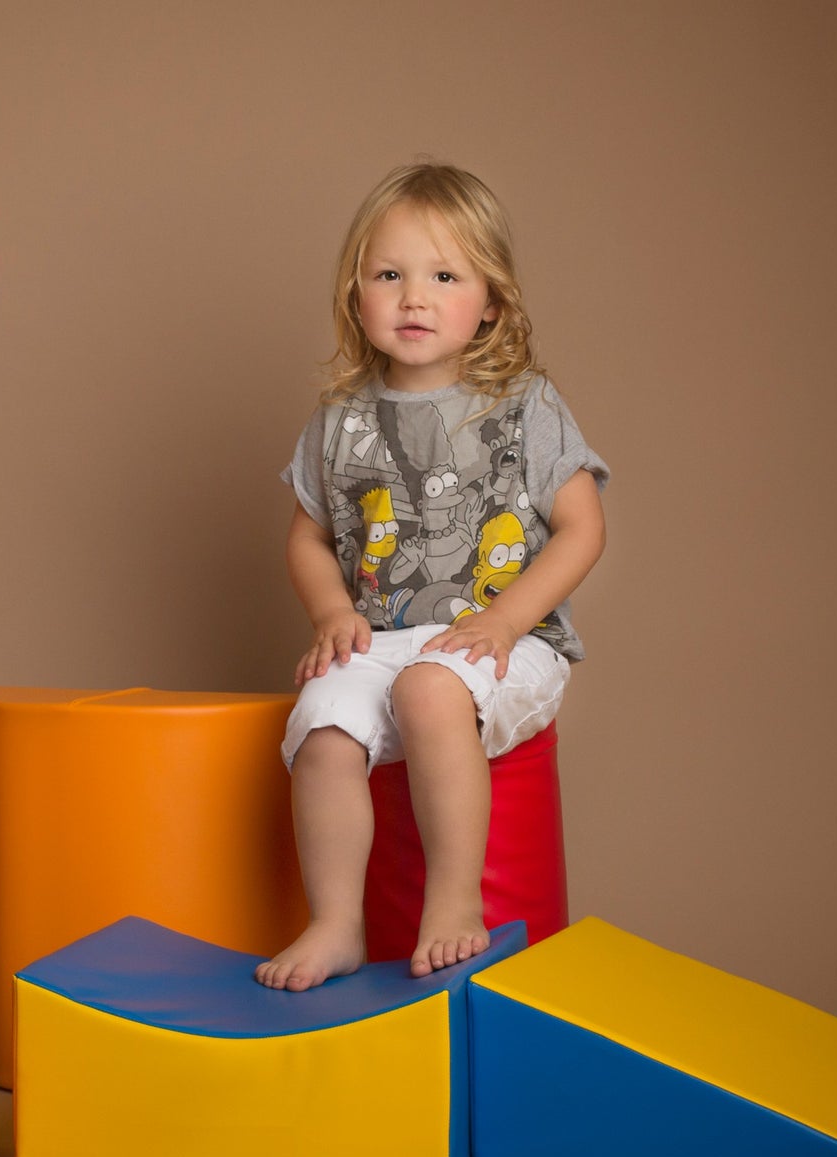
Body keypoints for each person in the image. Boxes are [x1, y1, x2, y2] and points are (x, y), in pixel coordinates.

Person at [255, 161, 609, 992]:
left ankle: (452, 902)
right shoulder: (340, 418)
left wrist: (507, 620)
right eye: (390, 275)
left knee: (428, 690)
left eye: (444, 276)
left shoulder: (522, 403)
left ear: (490, 301)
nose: (414, 297)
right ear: (358, 295)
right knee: (323, 720)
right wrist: (331, 610)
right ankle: (337, 922)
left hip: (505, 643)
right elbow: (307, 537)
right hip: (387, 638)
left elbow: (582, 526)